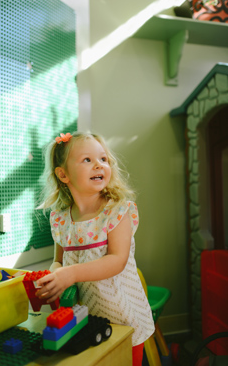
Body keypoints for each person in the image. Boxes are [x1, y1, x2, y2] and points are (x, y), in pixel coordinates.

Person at [36, 132, 155, 366]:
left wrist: (70, 274)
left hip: (124, 318)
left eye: (103, 159)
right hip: (84, 319)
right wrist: (54, 277)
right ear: (63, 175)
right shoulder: (60, 219)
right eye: (87, 160)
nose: (98, 165)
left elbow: (116, 261)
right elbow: (59, 260)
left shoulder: (117, 212)